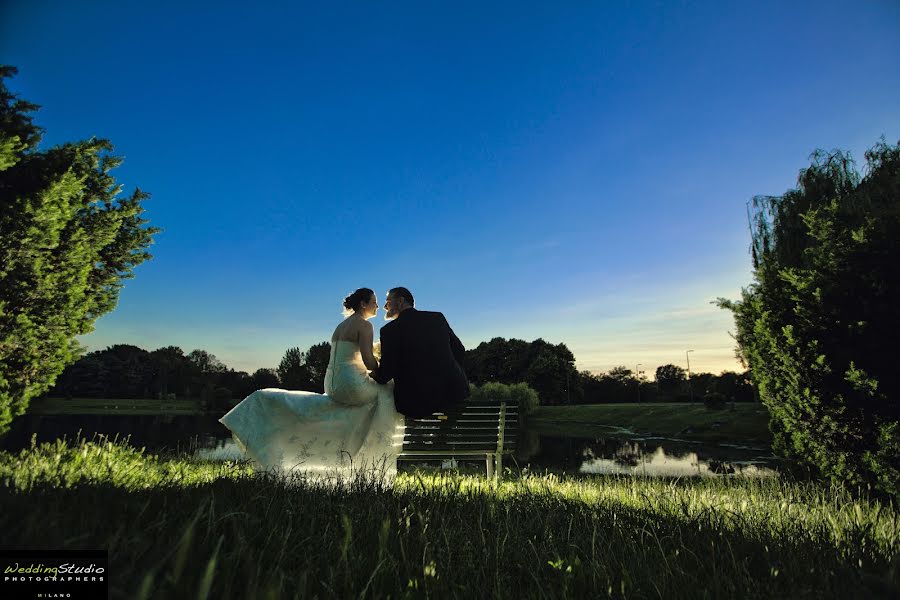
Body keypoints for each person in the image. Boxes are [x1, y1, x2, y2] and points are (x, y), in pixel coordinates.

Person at [219, 288, 402, 479]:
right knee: (387, 392)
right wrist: (383, 373)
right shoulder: (364, 326)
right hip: (351, 384)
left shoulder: (341, 326)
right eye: (374, 301)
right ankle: (375, 459)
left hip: (332, 384)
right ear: (363, 304)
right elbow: (368, 361)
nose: (378, 305)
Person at [372, 287, 470, 417]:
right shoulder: (437, 318)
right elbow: (459, 349)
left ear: (400, 301)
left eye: (388, 302)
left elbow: (386, 373)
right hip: (455, 393)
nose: (385, 306)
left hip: (417, 404)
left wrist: (373, 375)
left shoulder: (389, 330)